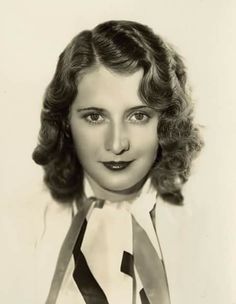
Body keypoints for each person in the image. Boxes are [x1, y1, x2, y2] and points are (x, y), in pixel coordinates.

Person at [32, 20, 203, 304]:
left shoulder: (209, 236)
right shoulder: (22, 232)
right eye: (95, 117)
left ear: (166, 121)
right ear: (65, 123)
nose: (117, 144)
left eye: (138, 116)